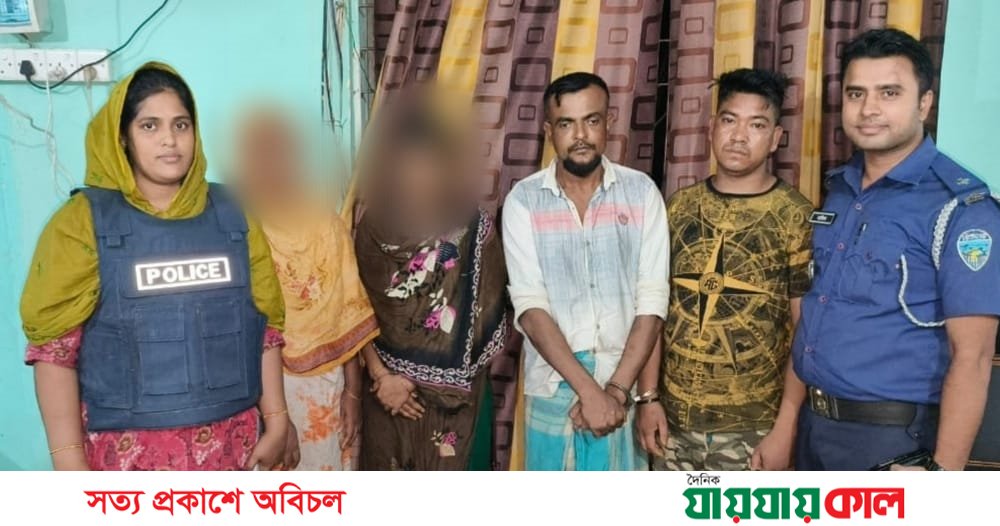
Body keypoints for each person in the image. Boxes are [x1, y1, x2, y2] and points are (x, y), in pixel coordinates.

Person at [20, 63, 289, 471]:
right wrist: (69, 464)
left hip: (232, 447)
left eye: (181, 125)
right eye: (149, 126)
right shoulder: (80, 223)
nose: (170, 140)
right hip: (126, 455)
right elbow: (54, 351)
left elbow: (264, 328)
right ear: (123, 138)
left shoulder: (233, 214)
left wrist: (278, 419)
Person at [792, 28, 1000, 471]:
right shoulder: (840, 189)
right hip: (814, 428)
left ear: (924, 103)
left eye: (889, 93)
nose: (869, 109)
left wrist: (941, 473)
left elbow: (974, 357)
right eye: (856, 93)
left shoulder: (961, 208)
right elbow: (818, 312)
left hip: (891, 442)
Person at [636, 68, 813, 471]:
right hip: (672, 425)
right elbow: (653, 309)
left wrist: (786, 428)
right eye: (730, 120)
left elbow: (807, 333)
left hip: (756, 430)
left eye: (757, 125)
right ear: (712, 126)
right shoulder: (678, 208)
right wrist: (647, 398)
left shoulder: (796, 217)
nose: (739, 136)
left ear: (776, 138)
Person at [502, 72, 669, 470]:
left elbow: (652, 302)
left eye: (591, 120)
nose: (580, 136)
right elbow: (531, 308)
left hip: (622, 381)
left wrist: (615, 391)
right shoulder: (523, 201)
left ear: (609, 122)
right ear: (549, 132)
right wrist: (589, 392)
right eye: (566, 124)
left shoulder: (641, 193)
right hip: (553, 385)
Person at [354, 94, 513, 470]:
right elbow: (354, 307)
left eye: (428, 164)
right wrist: (382, 376)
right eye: (409, 165)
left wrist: (417, 379)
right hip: (386, 396)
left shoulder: (473, 227)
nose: (418, 176)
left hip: (456, 402)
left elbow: (486, 312)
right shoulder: (373, 228)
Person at [234, 109, 378, 470]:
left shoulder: (323, 222)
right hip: (258, 389)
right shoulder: (235, 227)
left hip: (324, 388)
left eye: (281, 152)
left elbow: (347, 312)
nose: (272, 164)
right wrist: (275, 417)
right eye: (261, 152)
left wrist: (353, 392)